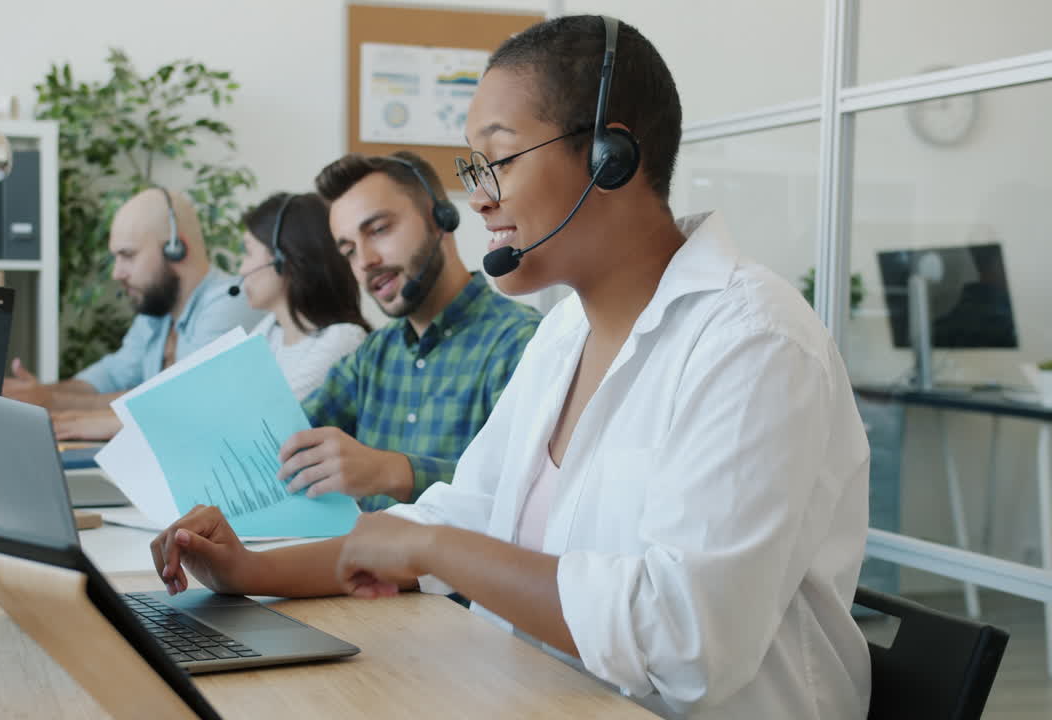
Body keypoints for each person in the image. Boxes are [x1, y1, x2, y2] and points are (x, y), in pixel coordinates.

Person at [152, 15, 871, 720]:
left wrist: (434, 547)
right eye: (472, 167)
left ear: (609, 159)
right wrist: (252, 573)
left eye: (500, 158)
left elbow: (680, 646)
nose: (479, 195)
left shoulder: (755, 344)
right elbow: (455, 514)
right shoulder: (564, 336)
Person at [274, 150, 542, 510]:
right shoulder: (373, 355)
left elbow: (527, 500)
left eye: (379, 230)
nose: (366, 261)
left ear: (442, 219)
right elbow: (284, 439)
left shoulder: (523, 343)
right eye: (349, 250)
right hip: (356, 564)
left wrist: (395, 471)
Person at [5, 188, 261, 437]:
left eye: (127, 255)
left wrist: (52, 402)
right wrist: (33, 395)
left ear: (177, 249)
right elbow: (111, 377)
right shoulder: (157, 313)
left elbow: (177, 405)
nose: (117, 273)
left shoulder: (230, 301)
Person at [237, 192, 371, 401]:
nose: (242, 270)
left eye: (248, 252)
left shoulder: (342, 339)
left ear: (282, 258)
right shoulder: (269, 331)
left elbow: (273, 420)